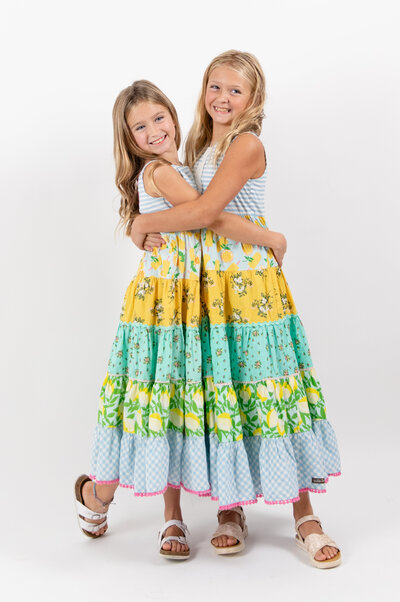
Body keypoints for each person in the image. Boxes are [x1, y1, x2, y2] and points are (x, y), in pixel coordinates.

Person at [132, 51, 342, 569]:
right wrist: (139, 225)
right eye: (215, 87)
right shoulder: (200, 146)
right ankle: (231, 508)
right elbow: (188, 211)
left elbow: (205, 214)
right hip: (210, 290)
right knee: (224, 390)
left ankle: (305, 516)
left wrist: (271, 237)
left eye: (235, 91)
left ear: (253, 100)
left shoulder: (246, 144)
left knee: (270, 389)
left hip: (250, 288)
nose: (222, 98)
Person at [74, 79, 287, 561]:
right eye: (139, 127)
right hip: (163, 307)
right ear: (129, 139)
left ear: (173, 115)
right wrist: (272, 237)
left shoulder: (184, 167)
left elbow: (202, 214)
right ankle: (101, 496)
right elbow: (208, 216)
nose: (153, 130)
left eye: (158, 118)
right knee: (160, 399)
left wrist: (140, 223)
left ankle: (146, 507)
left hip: (187, 303)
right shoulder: (163, 173)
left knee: (169, 404)